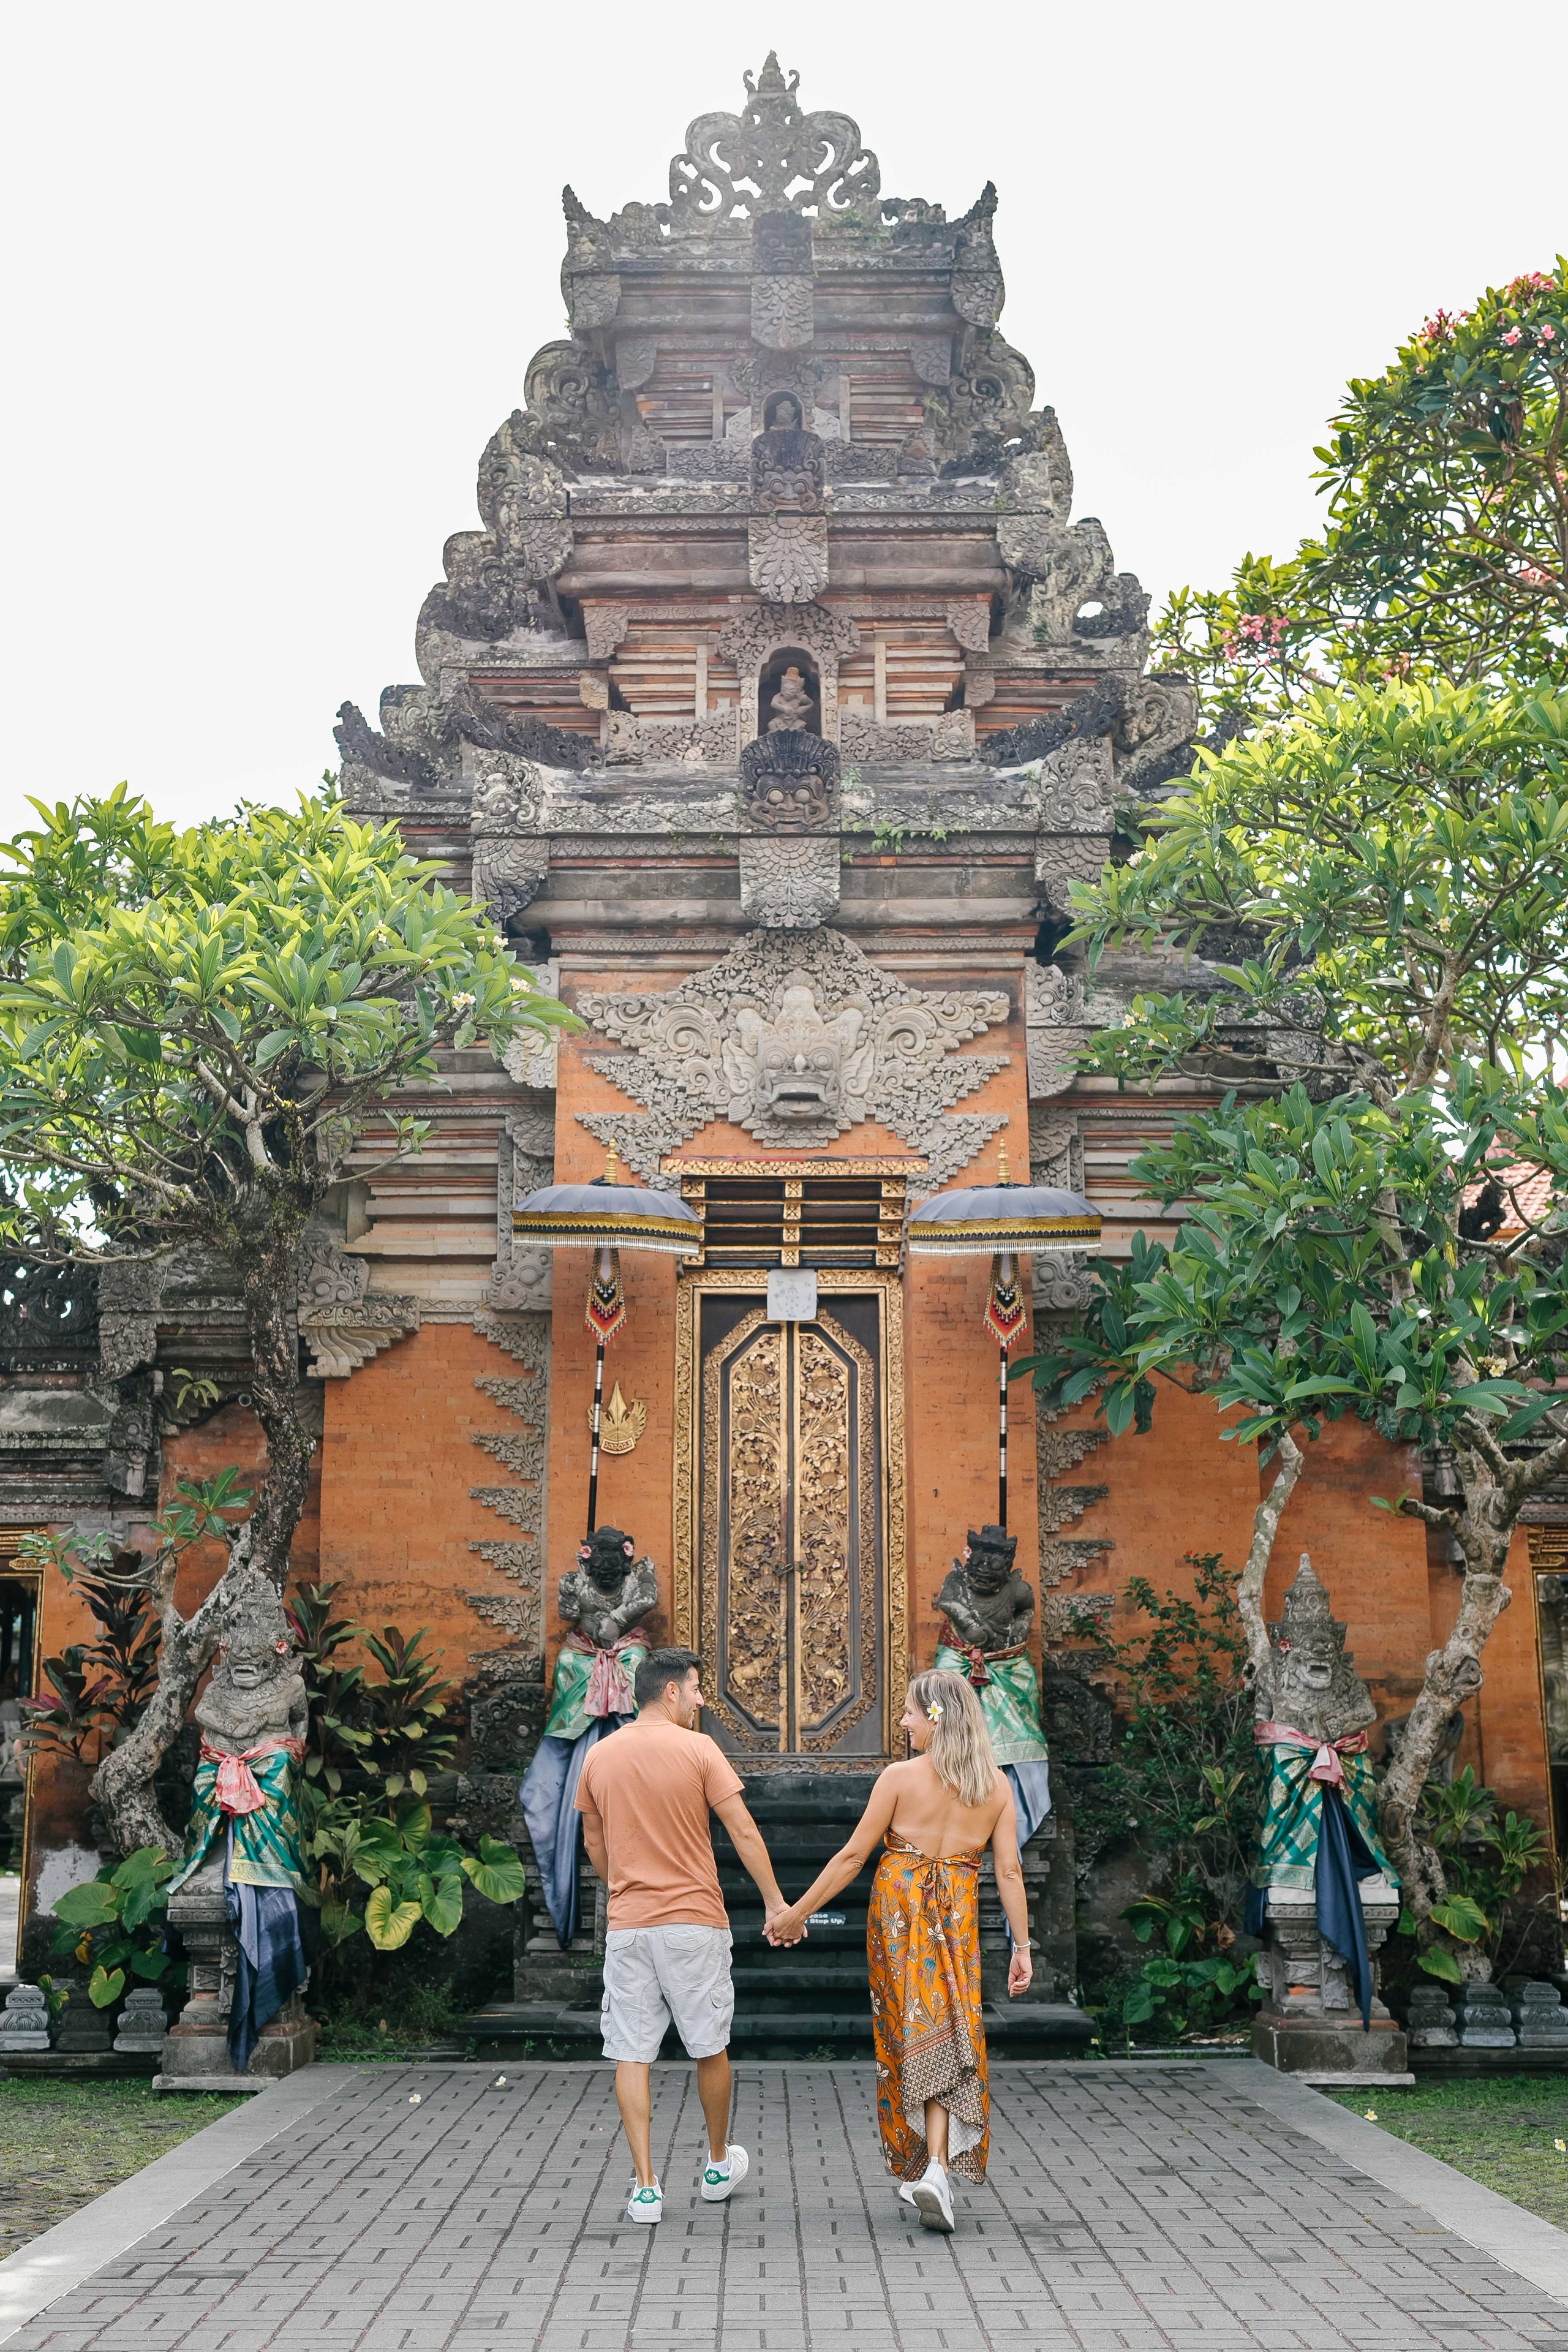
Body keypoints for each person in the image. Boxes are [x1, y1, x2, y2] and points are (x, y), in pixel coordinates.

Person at [766, 1666, 1031, 2235]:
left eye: (911, 1712)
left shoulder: (898, 1778)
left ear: (935, 1718)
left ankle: (932, 2167)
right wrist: (1022, 1946)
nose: (905, 1721)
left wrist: (796, 1912)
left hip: (899, 1920)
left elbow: (850, 1859)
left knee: (910, 2035)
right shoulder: (995, 1786)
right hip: (957, 1923)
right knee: (950, 2029)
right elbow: (1008, 1871)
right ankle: (932, 2167)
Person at [576, 1644, 796, 2226]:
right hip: (694, 1922)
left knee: (631, 2050)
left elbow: (594, 1842)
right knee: (709, 2044)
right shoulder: (700, 1750)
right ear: (670, 1691)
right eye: (697, 1690)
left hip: (630, 1925)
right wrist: (776, 1902)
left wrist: (622, 1885)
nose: (701, 1701)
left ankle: (646, 2187)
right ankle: (719, 2164)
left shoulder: (600, 1756)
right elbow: (743, 1831)